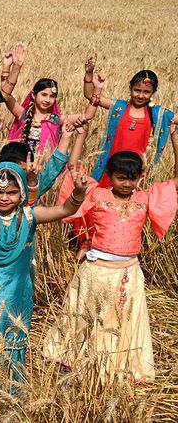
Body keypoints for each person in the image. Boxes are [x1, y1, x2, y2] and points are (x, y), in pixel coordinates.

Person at [0, 154, 88, 392]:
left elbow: (64, 209)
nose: (4, 198)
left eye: (11, 192)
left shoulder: (30, 217)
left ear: (22, 194)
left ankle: (9, 393)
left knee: (9, 345)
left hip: (14, 299)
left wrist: (79, 191)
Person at [43, 137, 178, 383]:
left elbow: (176, 184)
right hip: (97, 271)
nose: (127, 184)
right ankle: (81, 362)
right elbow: (74, 170)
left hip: (128, 272)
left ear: (141, 176)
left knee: (123, 320)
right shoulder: (96, 194)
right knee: (87, 316)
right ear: (109, 175)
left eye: (132, 178)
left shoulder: (145, 198)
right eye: (121, 178)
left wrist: (175, 142)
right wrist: (79, 136)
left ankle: (118, 365)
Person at [83, 55, 175, 185]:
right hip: (113, 168)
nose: (141, 95)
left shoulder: (157, 113)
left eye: (146, 92)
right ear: (130, 88)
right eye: (137, 90)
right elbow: (89, 95)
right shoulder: (119, 107)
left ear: (153, 93)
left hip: (137, 173)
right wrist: (89, 74)